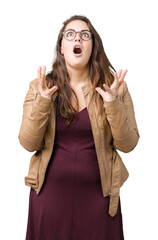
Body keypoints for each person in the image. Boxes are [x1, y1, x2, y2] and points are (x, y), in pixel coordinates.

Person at [18, 15, 139, 240]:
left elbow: (128, 144)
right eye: (70, 34)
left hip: (99, 200)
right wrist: (43, 101)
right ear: (62, 47)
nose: (78, 39)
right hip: (49, 198)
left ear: (93, 46)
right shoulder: (40, 86)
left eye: (85, 35)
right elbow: (28, 142)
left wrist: (112, 103)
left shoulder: (115, 88)